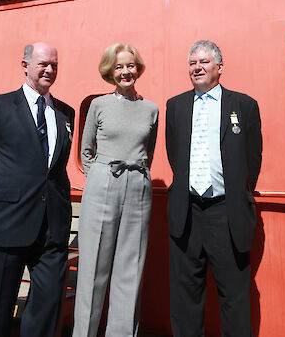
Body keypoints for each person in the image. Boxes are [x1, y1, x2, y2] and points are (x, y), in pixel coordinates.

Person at [0, 42, 75, 337]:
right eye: (43, 64)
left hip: (52, 230)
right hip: (3, 226)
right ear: (25, 65)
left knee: (47, 313)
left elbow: (55, 169)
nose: (49, 70)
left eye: (54, 65)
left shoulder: (66, 113)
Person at [166, 40, 262, 337]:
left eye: (204, 62)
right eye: (193, 62)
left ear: (219, 67)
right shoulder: (176, 106)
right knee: (185, 299)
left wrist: (236, 194)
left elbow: (253, 158)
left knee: (234, 298)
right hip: (188, 211)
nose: (197, 67)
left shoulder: (243, 105)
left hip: (226, 212)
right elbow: (174, 154)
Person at [73, 43, 159, 337]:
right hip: (103, 181)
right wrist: (101, 174)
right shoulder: (98, 105)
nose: (126, 72)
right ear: (110, 71)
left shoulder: (151, 108)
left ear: (138, 68)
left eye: (130, 66)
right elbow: (86, 151)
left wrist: (136, 174)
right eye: (119, 67)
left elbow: (150, 151)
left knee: (130, 270)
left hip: (138, 185)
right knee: (92, 271)